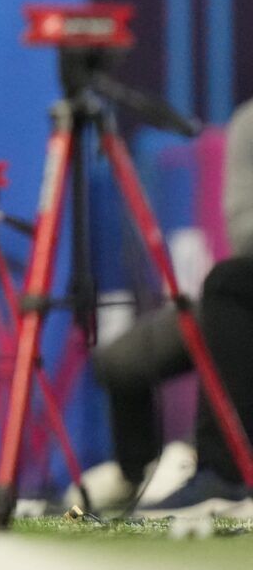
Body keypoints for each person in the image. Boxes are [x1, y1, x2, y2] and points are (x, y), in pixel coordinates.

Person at [90, 97, 253, 515]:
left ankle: (225, 473)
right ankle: (131, 480)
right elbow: (244, 231)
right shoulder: (250, 122)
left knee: (225, 284)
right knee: (118, 361)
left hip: (233, 291)